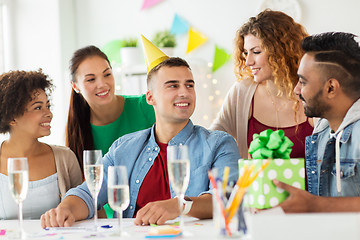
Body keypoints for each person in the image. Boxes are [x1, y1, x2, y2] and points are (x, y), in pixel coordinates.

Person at [40, 47, 240, 227]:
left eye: (189, 85)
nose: (184, 93)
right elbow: (87, 193)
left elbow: (226, 198)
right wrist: (65, 209)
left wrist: (179, 206)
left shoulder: (219, 144)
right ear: (150, 97)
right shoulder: (124, 148)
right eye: (173, 85)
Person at [274, 32, 360, 212]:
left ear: (331, 88)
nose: (296, 90)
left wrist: (314, 205)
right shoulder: (321, 134)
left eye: (303, 82)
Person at [210, 9, 313, 159]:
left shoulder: (313, 92)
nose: (248, 62)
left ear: (281, 52)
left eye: (256, 52)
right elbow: (211, 141)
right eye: (246, 52)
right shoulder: (242, 92)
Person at [67, 45, 156, 217]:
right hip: (111, 223)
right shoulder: (78, 131)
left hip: (155, 213)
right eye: (91, 79)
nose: (102, 84)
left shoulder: (146, 107)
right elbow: (88, 194)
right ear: (75, 86)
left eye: (107, 74)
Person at [0, 70, 82, 219]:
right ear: (12, 117)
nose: (49, 114)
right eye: (38, 107)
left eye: (48, 106)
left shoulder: (65, 158)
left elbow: (87, 209)